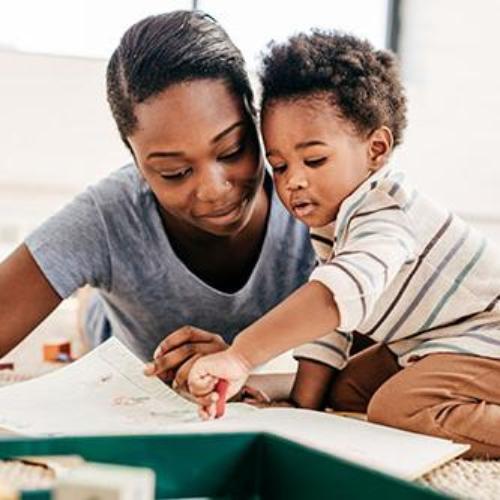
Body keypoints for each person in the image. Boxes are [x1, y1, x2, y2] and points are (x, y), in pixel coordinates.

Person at [187, 30, 500, 458]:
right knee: (347, 388)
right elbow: (334, 324)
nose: (293, 180)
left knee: (398, 407)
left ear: (376, 149)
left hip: (487, 335)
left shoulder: (389, 214)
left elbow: (338, 296)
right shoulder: (337, 222)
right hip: (436, 341)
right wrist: (301, 403)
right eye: (278, 166)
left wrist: (241, 356)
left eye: (314, 160)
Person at [0, 11, 316, 394]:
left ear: (255, 116)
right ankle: (89, 299)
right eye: (174, 172)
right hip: (114, 338)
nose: (213, 189)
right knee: (95, 320)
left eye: (232, 150)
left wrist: (236, 362)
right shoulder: (108, 215)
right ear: (136, 164)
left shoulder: (317, 201)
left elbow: (376, 370)